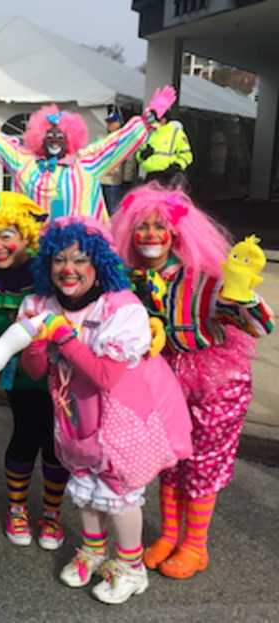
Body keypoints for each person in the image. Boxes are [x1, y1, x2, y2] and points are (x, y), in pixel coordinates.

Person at [0, 216, 192, 604]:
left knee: (119, 493)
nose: (68, 270)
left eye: (80, 260)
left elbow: (105, 375)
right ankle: (93, 551)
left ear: (99, 265)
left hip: (121, 416)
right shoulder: (39, 303)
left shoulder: (122, 308)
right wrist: (38, 343)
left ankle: (131, 566)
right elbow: (36, 371)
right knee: (86, 489)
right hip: (74, 415)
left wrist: (62, 334)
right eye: (59, 260)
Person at [111, 183, 275, 579]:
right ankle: (169, 535)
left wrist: (241, 293)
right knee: (170, 459)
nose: (150, 234)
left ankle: (195, 545)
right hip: (164, 379)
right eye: (141, 227)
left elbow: (262, 325)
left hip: (215, 380)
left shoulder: (203, 277)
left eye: (158, 226)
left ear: (175, 234)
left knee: (203, 462)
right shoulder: (131, 279)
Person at [0, 191, 70, 547]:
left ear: (26, 235)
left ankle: (53, 513)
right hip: (19, 374)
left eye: (6, 235)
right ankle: (17, 508)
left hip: (61, 372)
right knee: (26, 434)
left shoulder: (51, 265)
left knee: (57, 443)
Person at [0, 87, 177, 222]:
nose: (55, 139)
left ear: (71, 138)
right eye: (50, 134)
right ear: (39, 137)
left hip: (79, 255)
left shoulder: (86, 163)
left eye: (61, 135)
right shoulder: (24, 163)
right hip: (35, 252)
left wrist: (149, 119)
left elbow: (117, 142)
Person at [135, 111, 193, 189]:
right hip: (151, 175)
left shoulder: (176, 132)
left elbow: (187, 155)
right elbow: (139, 153)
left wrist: (178, 165)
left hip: (169, 175)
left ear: (164, 119)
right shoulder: (149, 132)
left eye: (156, 119)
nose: (153, 122)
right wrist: (142, 155)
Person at [99, 109, 135, 216]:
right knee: (102, 211)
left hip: (114, 180)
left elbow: (129, 160)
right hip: (102, 178)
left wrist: (127, 179)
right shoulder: (105, 138)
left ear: (119, 123)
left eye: (112, 122)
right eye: (108, 122)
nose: (109, 125)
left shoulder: (124, 139)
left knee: (113, 210)